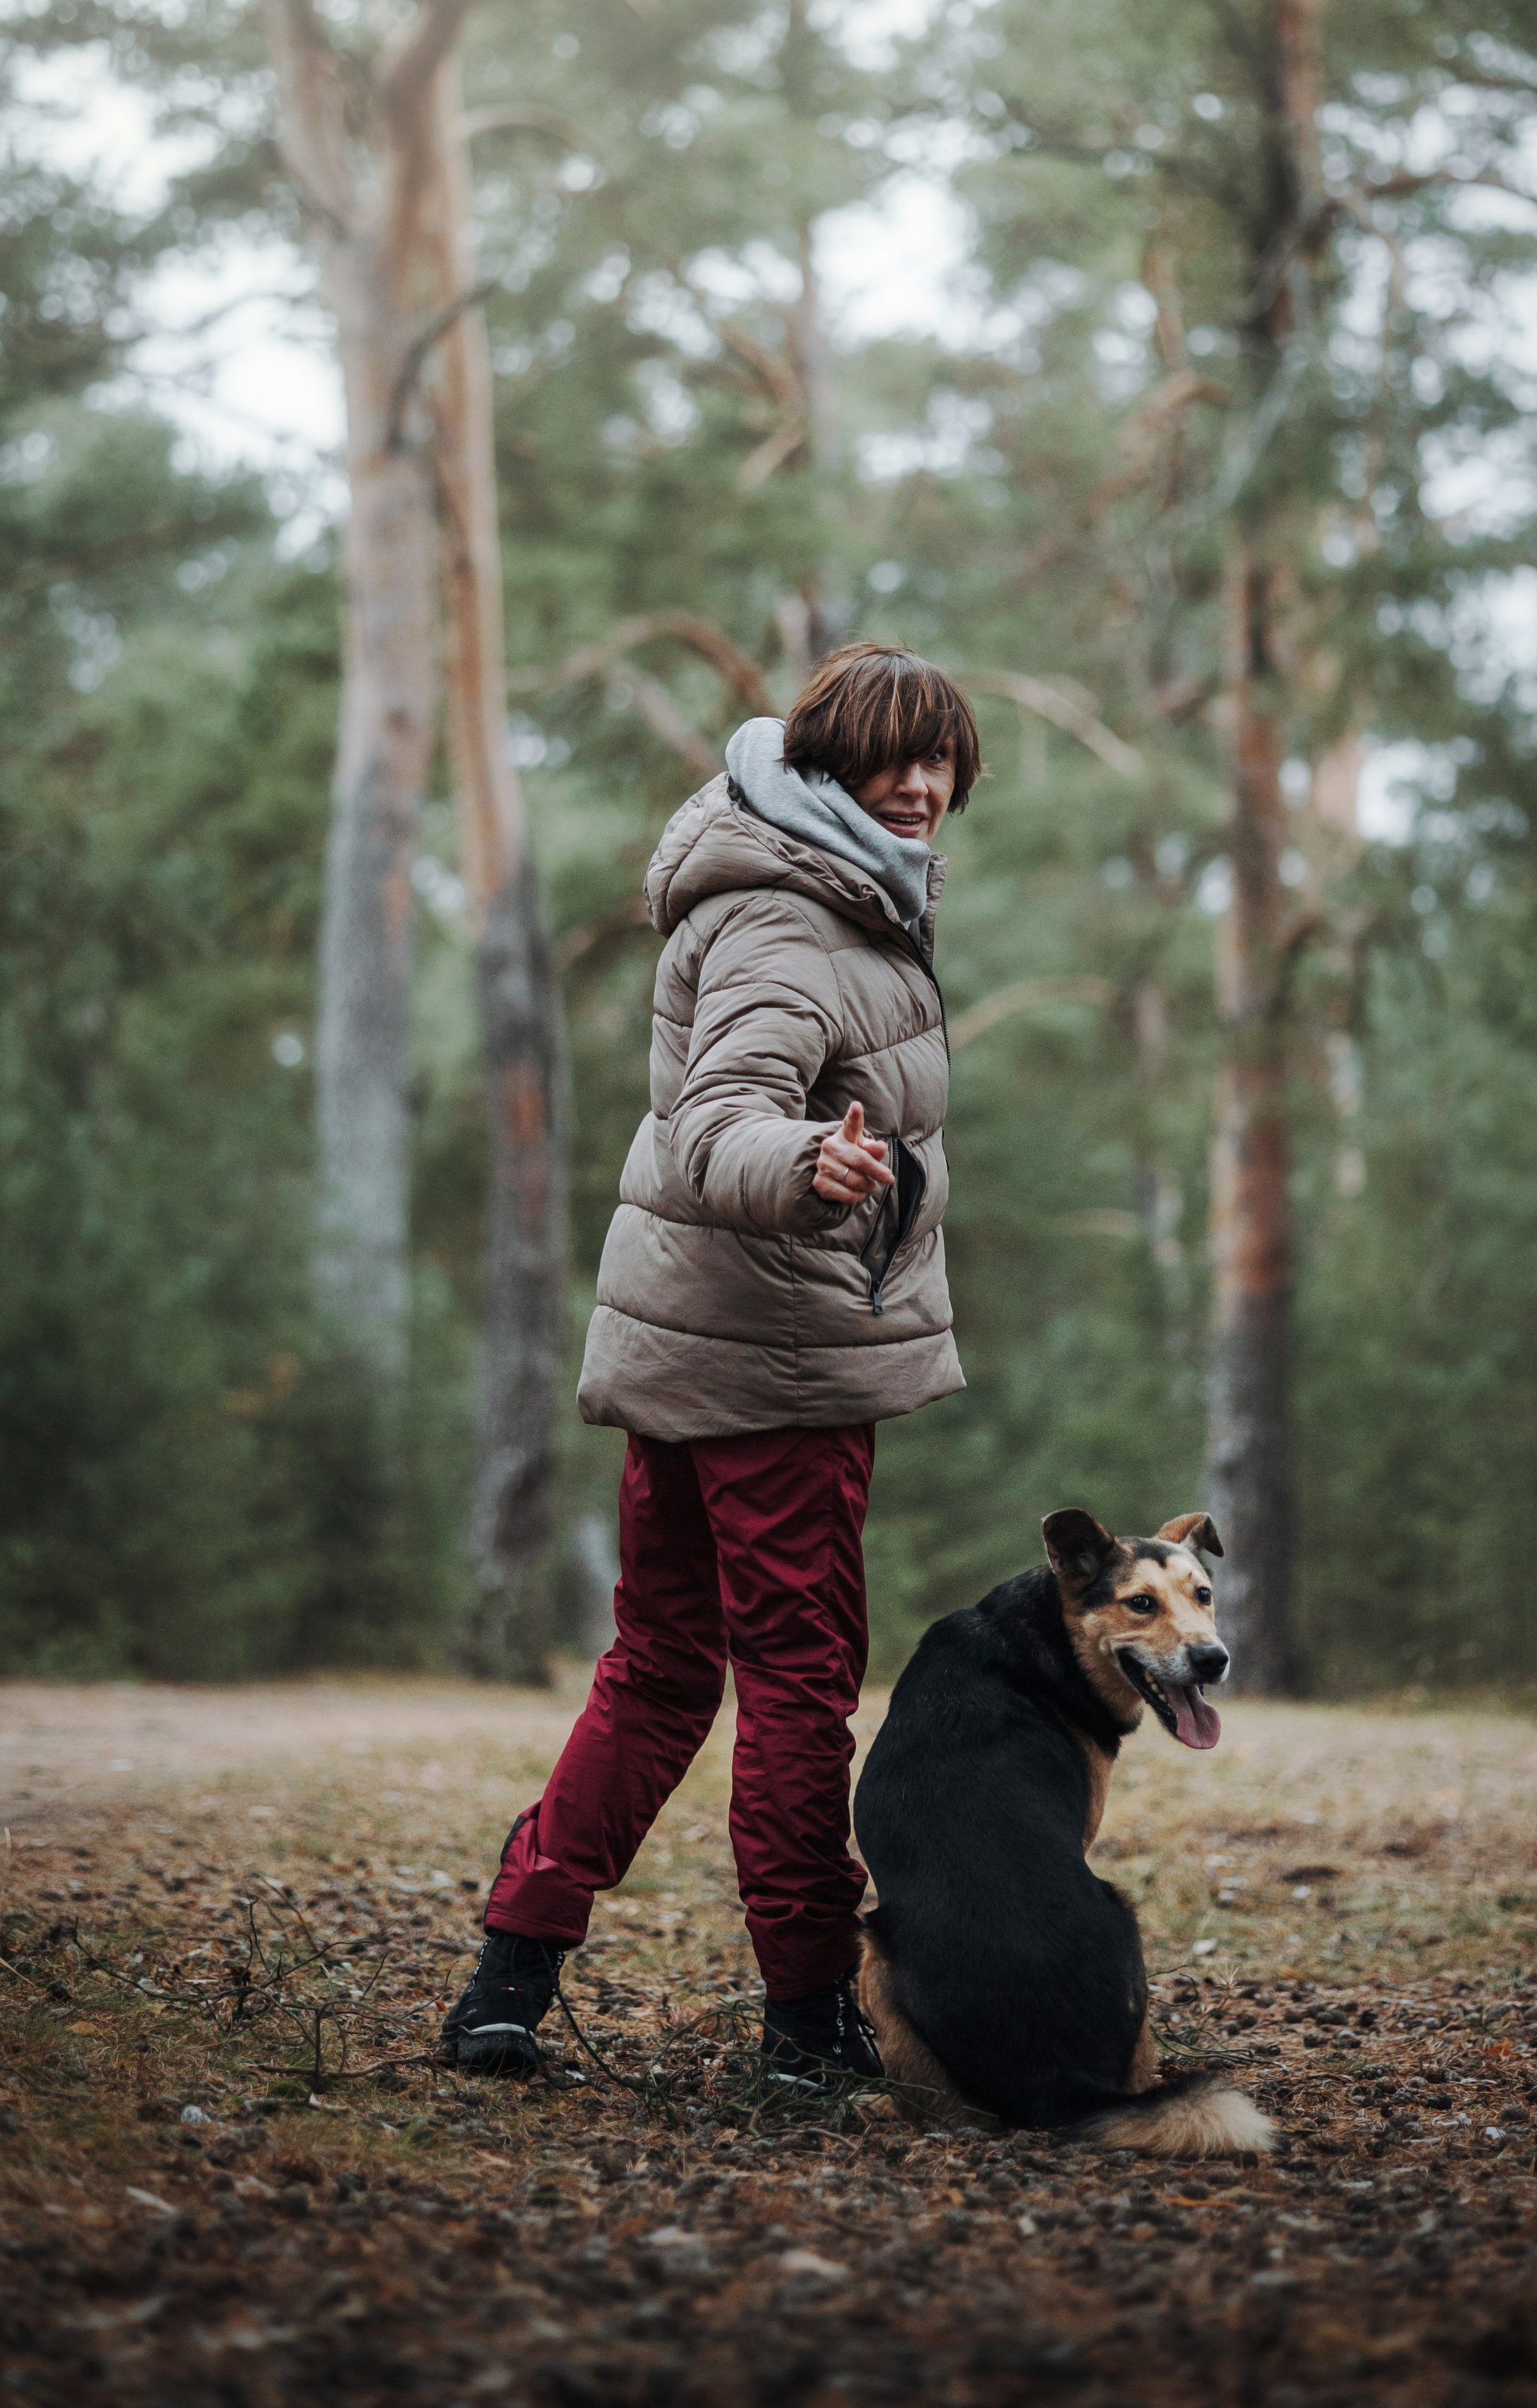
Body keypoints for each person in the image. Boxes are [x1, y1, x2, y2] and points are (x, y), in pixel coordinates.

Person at [440, 643, 978, 2087]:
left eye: (941, 758)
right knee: (796, 1681)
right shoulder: (793, 922)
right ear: (822, 770)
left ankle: (510, 1973)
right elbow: (720, 1117)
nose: (921, 784)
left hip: (702, 1341)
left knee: (664, 1662)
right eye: (890, 757)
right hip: (773, 1361)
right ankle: (810, 2021)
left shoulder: (822, 893)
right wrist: (811, 1162)